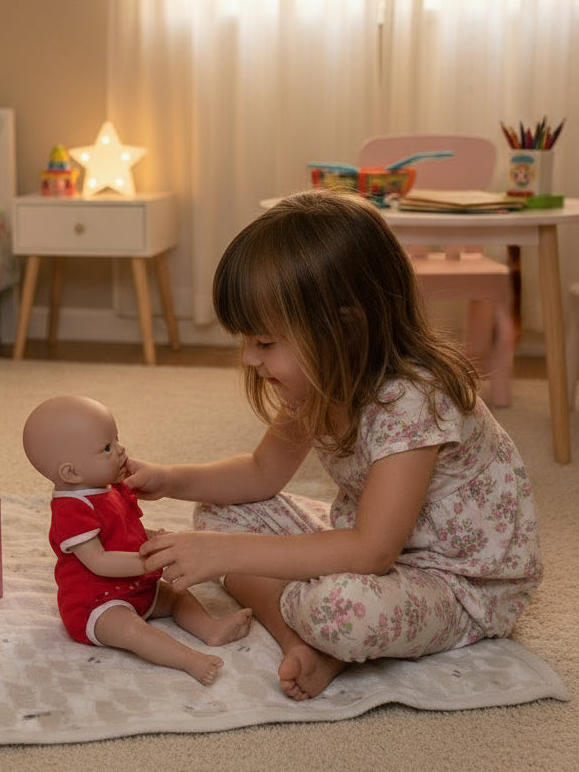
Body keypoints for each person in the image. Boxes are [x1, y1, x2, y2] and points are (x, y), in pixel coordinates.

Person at [126, 190, 542, 701]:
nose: (250, 359)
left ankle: (322, 635)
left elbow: (371, 550)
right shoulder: (320, 380)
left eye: (265, 342)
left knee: (340, 609)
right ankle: (302, 643)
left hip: (457, 583)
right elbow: (261, 473)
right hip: (371, 546)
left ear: (343, 329)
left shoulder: (414, 399)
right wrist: (171, 480)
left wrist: (225, 555)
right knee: (217, 512)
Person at [22, 394, 252, 685]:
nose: (121, 450)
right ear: (71, 472)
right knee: (132, 631)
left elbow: (125, 529)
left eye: (116, 439)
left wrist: (153, 538)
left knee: (176, 595)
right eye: (107, 448)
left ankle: (210, 629)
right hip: (98, 605)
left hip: (137, 588)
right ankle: (188, 660)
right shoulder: (72, 509)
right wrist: (147, 561)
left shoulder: (108, 488)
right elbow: (99, 561)